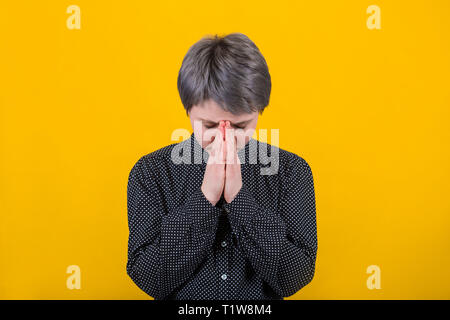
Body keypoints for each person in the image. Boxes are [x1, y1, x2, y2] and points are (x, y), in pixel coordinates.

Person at [126, 33, 317, 300]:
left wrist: (240, 200)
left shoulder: (291, 172)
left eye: (240, 126)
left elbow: (295, 276)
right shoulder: (151, 173)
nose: (224, 137)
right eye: (209, 125)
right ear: (187, 111)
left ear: (260, 111)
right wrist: (205, 199)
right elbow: (148, 277)